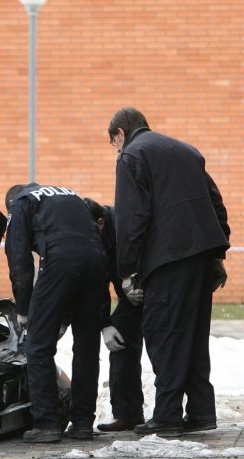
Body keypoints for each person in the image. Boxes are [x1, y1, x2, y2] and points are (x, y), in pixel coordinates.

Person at [109, 107, 230, 436]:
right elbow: (215, 202)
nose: (116, 151)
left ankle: (167, 416)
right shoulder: (186, 150)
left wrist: (128, 270)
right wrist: (217, 254)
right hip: (202, 258)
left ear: (120, 134)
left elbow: (132, 218)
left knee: (166, 336)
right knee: (192, 337)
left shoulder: (132, 156)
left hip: (167, 259)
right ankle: (203, 412)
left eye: (114, 144)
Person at [5, 183, 106, 442]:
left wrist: (24, 308)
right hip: (96, 258)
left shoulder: (20, 203)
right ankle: (83, 422)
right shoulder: (68, 193)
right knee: (86, 345)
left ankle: (47, 424)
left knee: (38, 345)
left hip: (62, 258)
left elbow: (19, 258)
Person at [84, 198, 145, 431]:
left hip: (156, 286)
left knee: (168, 347)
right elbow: (97, 282)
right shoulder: (91, 237)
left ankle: (172, 413)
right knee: (120, 338)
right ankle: (128, 413)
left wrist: (138, 281)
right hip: (129, 296)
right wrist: (104, 324)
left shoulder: (126, 224)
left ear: (101, 223)